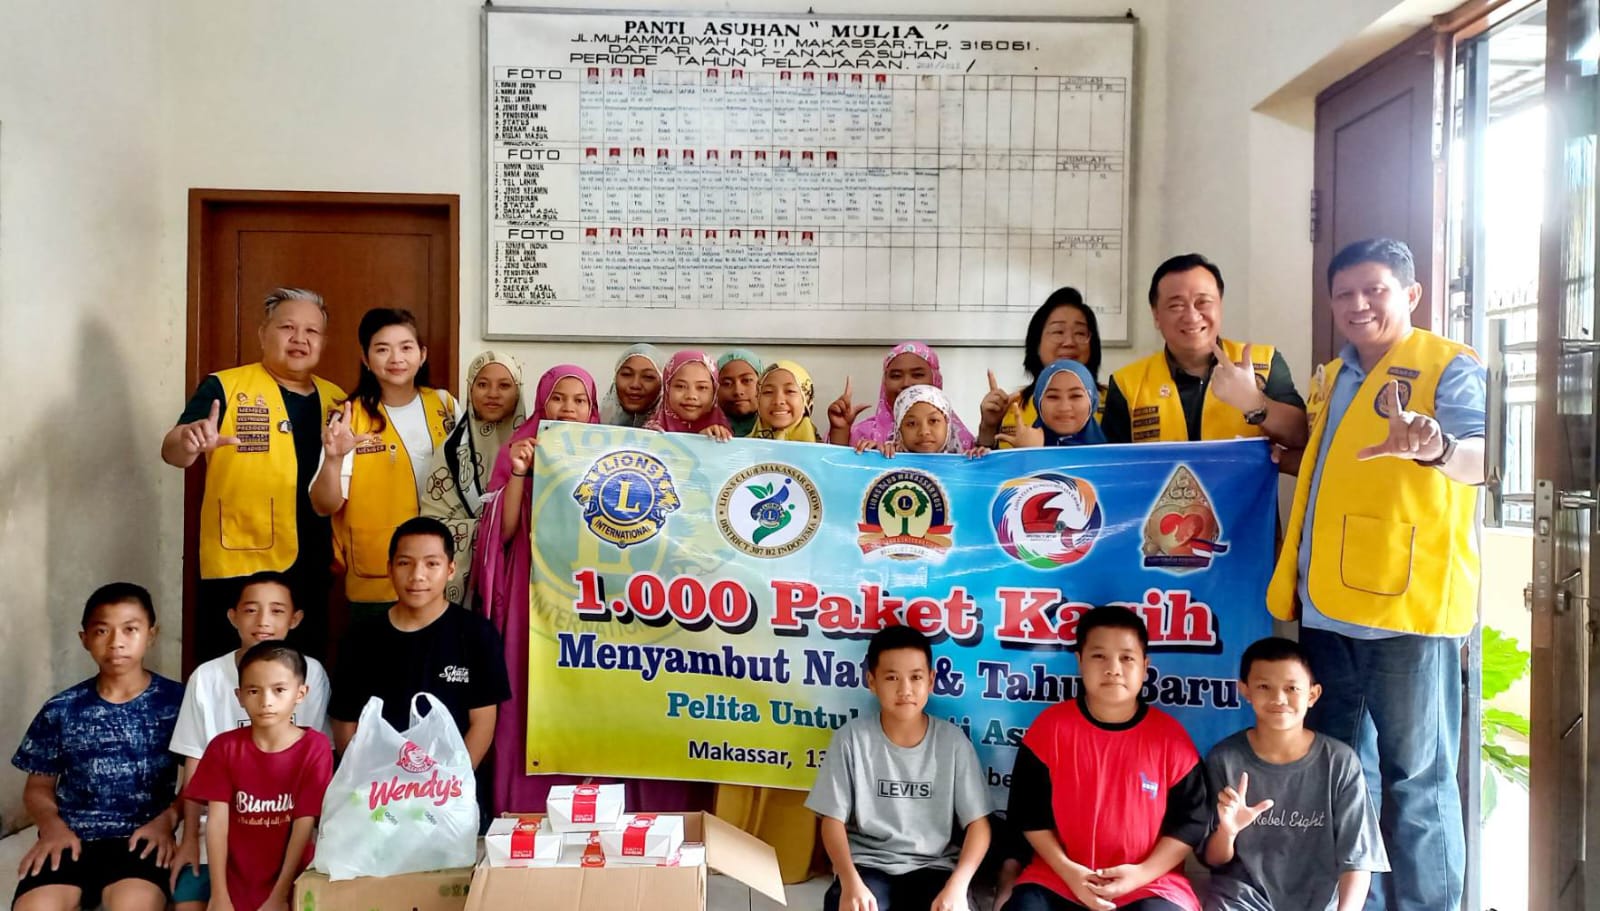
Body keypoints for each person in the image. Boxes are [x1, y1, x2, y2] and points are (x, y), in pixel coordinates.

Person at [1267, 238, 1485, 911]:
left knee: (1418, 781)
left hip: (1407, 613)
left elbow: (1483, 460)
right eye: (1344, 294)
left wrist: (1437, 446)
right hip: (1328, 610)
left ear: (1411, 293)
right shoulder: (1332, 375)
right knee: (1344, 776)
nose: (1358, 304)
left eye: (1375, 290)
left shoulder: (1449, 365)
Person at [476, 366, 713, 815]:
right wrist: (520, 473)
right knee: (537, 693)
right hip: (539, 596)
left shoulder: (611, 452)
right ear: (542, 402)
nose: (568, 408)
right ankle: (531, 808)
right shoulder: (521, 448)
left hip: (605, 599)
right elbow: (501, 534)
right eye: (558, 398)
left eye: (579, 400)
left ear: (591, 408)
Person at [160, 288, 345, 661]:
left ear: (323, 342)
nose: (299, 339)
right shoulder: (224, 386)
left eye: (311, 331)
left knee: (300, 674)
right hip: (238, 562)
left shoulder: (336, 399)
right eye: (287, 327)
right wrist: (190, 440)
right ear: (263, 334)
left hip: (310, 564)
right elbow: (172, 451)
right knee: (231, 672)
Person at [1006, 606, 1209, 911]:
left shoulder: (1172, 740)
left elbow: (1191, 823)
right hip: (1059, 877)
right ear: (1080, 661)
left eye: (1127, 658)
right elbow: (1028, 813)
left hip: (1149, 882)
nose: (1113, 669)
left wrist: (1141, 874)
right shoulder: (1049, 730)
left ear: (1145, 666)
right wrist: (1070, 872)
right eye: (1099, 656)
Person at [11, 583, 185, 911]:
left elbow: (201, 780)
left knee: (135, 904)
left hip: (142, 839)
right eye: (102, 630)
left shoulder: (177, 703)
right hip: (69, 837)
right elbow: (38, 787)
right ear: (85, 639)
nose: (116, 642)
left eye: (130, 629)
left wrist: (168, 820)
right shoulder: (62, 708)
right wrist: (52, 827)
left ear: (151, 634)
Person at [167, 573, 331, 911]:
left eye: (276, 610)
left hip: (285, 831)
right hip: (218, 829)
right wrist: (188, 838)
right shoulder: (208, 680)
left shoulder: (310, 674)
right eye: (252, 610)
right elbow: (195, 764)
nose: (263, 621)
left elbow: (308, 790)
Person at [806, 625, 992, 911]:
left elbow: (979, 824)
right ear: (872, 681)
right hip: (867, 867)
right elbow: (832, 821)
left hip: (935, 867)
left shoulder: (952, 742)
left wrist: (958, 886)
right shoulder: (852, 738)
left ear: (931, 680)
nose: (905, 690)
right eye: (892, 677)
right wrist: (850, 882)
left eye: (916, 677)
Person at [1201, 637, 1387, 911]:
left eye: (1292, 688)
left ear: (1312, 695)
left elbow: (1358, 861)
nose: (1279, 698)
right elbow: (1213, 859)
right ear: (1245, 690)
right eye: (1264, 686)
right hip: (1240, 902)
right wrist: (1228, 831)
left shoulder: (1340, 762)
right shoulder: (1224, 759)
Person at [328, 517, 510, 772]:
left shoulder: (477, 634)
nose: (417, 576)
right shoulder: (360, 638)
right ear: (390, 568)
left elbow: (482, 724)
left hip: (450, 785)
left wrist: (452, 783)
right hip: (377, 785)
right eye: (405, 563)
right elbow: (345, 725)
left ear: (451, 570)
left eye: (432, 564)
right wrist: (368, 782)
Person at [310, 308, 458, 618]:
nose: (396, 358)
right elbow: (324, 505)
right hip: (377, 571)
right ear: (365, 359)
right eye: (382, 349)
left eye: (406, 347)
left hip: (440, 569)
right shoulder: (349, 417)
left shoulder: (445, 405)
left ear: (422, 355)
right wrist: (333, 460)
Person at [1100, 255, 1308, 448]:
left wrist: (1254, 402)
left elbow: (1303, 437)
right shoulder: (1127, 383)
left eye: (1203, 302)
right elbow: (1112, 466)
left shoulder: (1265, 362)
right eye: (1176, 305)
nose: (1192, 316)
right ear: (1156, 315)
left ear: (1220, 306)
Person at [420, 351, 527, 606]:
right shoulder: (451, 451)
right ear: (470, 389)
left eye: (504, 385)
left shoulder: (534, 445)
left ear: (518, 391)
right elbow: (434, 521)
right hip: (466, 580)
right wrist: (488, 532)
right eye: (482, 384)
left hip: (520, 575)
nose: (493, 393)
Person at [979, 288, 1101, 448]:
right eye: (1058, 332)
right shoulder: (1011, 405)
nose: (1069, 342)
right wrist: (989, 427)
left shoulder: (1115, 400)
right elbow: (992, 461)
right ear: (1036, 343)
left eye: (1080, 333)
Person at [837, 342, 976, 450]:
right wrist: (840, 430)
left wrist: (987, 427)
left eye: (917, 375)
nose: (906, 383)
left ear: (936, 380)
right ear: (884, 383)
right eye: (896, 376)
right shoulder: (863, 436)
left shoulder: (960, 440)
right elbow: (835, 471)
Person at [996, 361, 1108, 448]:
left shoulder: (1112, 457)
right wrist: (1027, 454)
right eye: (1053, 397)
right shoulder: (1025, 445)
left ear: (1092, 401)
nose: (1064, 407)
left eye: (1076, 396)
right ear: (1038, 402)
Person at [855, 385, 989, 458]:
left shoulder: (967, 459)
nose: (924, 432)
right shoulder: (889, 455)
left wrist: (981, 461)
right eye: (911, 424)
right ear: (899, 430)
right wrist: (873, 457)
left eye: (933, 421)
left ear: (948, 426)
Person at [644, 350, 734, 440]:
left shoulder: (726, 434)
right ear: (667, 388)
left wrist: (711, 442)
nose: (691, 396)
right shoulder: (648, 436)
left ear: (714, 392)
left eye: (702, 387)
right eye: (680, 386)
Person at [746, 360, 824, 442]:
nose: (778, 401)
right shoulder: (742, 446)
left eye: (790, 391)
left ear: (806, 400)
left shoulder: (822, 448)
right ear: (758, 398)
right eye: (768, 392)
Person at [599, 343, 666, 427]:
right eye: (627, 374)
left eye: (648, 377)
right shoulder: (592, 424)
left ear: (662, 383)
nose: (635, 385)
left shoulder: (676, 430)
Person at [717, 349, 764, 437]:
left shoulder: (779, 429)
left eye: (747, 380)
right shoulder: (704, 430)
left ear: (762, 383)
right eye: (727, 383)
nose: (738, 391)